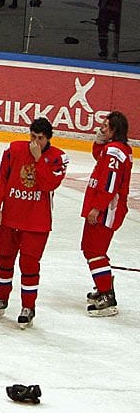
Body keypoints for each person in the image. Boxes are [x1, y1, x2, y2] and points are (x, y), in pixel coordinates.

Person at [0, 117, 68, 330]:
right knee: (4, 260)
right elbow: (1, 178)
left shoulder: (58, 158)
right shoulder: (14, 150)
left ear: (48, 138)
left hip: (36, 223)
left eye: (40, 138)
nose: (35, 142)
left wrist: (39, 159)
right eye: (33, 136)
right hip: (10, 218)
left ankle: (28, 307)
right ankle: (0, 299)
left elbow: (49, 184)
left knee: (29, 266)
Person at [81, 112, 131, 316]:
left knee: (94, 250)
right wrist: (99, 142)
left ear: (114, 130)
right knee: (90, 248)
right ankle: (103, 283)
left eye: (106, 126)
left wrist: (98, 207)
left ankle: (107, 295)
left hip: (106, 210)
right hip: (103, 207)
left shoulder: (114, 151)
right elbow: (100, 159)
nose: (101, 128)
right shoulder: (115, 149)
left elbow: (110, 182)